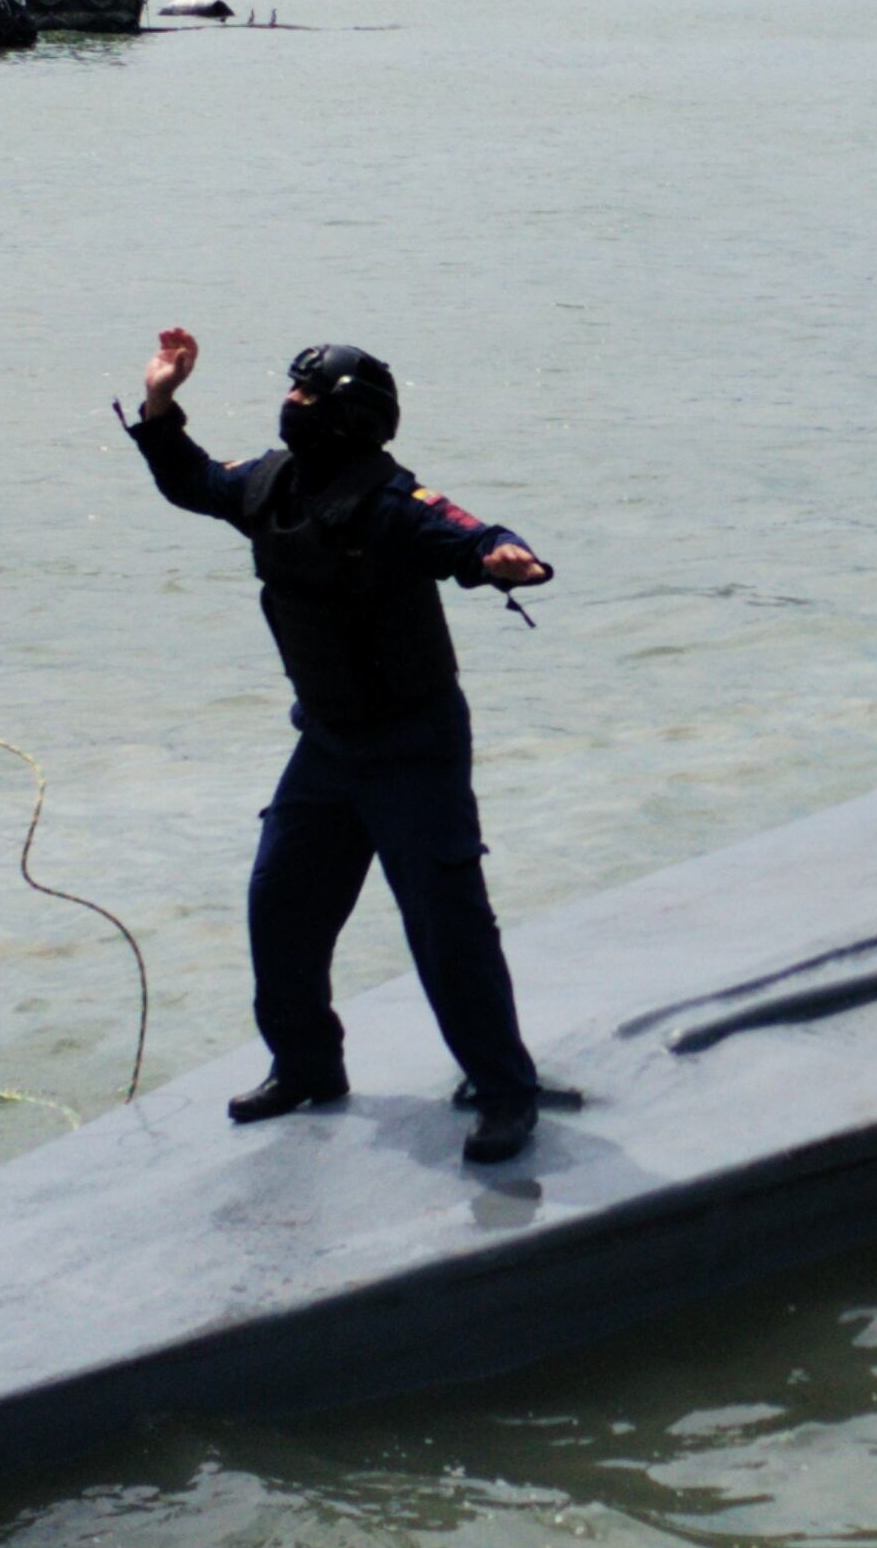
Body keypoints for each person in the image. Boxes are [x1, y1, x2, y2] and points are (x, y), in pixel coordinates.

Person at [125, 329, 559, 1165]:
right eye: (293, 392)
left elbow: (467, 537)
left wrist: (506, 559)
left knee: (445, 924)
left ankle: (505, 1093)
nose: (292, 406)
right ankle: (308, 1067)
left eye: (311, 398)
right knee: (281, 906)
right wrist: (158, 404)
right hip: (326, 744)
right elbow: (193, 482)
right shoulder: (270, 484)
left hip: (413, 746)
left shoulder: (393, 504)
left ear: (350, 419)